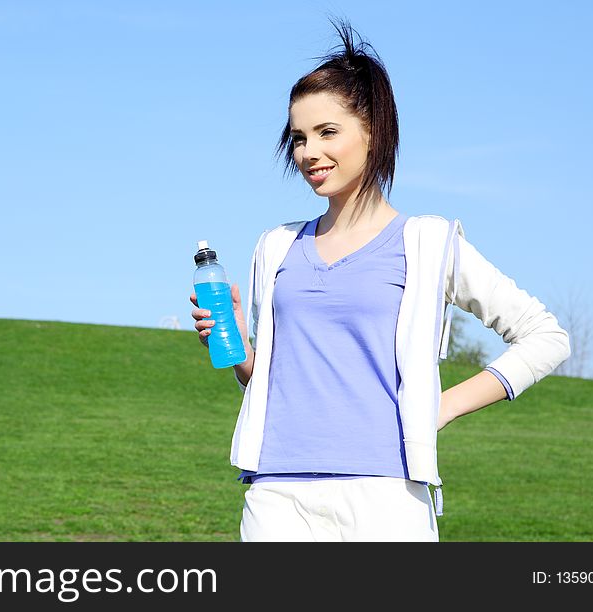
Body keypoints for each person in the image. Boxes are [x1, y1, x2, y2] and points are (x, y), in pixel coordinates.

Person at [189, 18, 570, 542]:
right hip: (276, 492)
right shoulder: (275, 246)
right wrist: (239, 348)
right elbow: (265, 384)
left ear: (373, 132)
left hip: (385, 495)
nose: (308, 153)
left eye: (328, 132)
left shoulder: (427, 243)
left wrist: (443, 406)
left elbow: (546, 337)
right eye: (298, 137)